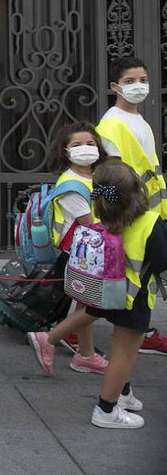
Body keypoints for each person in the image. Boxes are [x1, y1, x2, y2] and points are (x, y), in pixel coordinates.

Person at [44, 159, 164, 428]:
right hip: (135, 298)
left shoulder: (103, 219)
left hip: (109, 293)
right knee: (124, 353)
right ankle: (106, 410)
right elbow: (162, 263)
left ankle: (124, 393)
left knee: (121, 350)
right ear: (137, 190)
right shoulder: (150, 222)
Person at [95, 56, 167, 356]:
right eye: (130, 81)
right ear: (115, 87)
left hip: (148, 213)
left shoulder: (140, 122)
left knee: (137, 280)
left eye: (143, 80)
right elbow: (112, 175)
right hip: (131, 215)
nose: (139, 86)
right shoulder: (111, 124)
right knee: (133, 280)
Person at [26, 122, 107, 374]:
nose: (86, 148)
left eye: (90, 143)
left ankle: (86, 355)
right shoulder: (70, 186)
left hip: (94, 252)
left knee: (86, 305)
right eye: (77, 144)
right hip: (84, 255)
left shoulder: (95, 177)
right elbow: (92, 223)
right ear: (64, 151)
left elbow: (113, 202)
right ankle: (49, 338)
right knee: (96, 305)